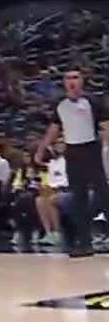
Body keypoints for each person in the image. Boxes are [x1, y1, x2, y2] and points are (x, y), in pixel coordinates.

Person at [35, 69, 109, 257]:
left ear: (82, 81)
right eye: (68, 78)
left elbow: (105, 126)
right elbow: (54, 128)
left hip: (91, 149)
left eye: (75, 77)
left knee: (104, 194)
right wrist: (42, 149)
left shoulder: (92, 101)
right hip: (72, 151)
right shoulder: (59, 104)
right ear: (64, 82)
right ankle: (84, 243)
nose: (72, 81)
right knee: (79, 199)